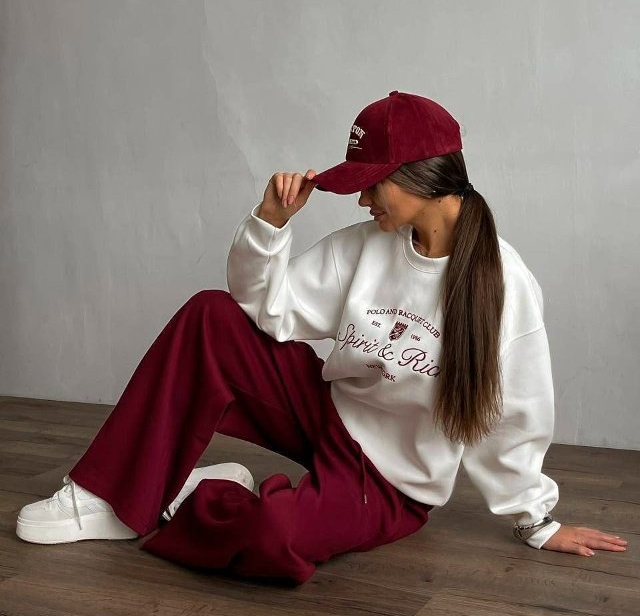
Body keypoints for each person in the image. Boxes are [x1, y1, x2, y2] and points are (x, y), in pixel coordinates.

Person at [16, 90, 627, 584]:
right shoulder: (367, 246)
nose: (361, 200)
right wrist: (270, 225)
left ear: (419, 177)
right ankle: (108, 494)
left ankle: (199, 492)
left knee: (274, 537)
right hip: (326, 415)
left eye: (372, 183)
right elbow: (267, 308)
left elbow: (515, 412)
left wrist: (535, 520)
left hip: (390, 484)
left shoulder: (504, 284)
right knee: (211, 316)